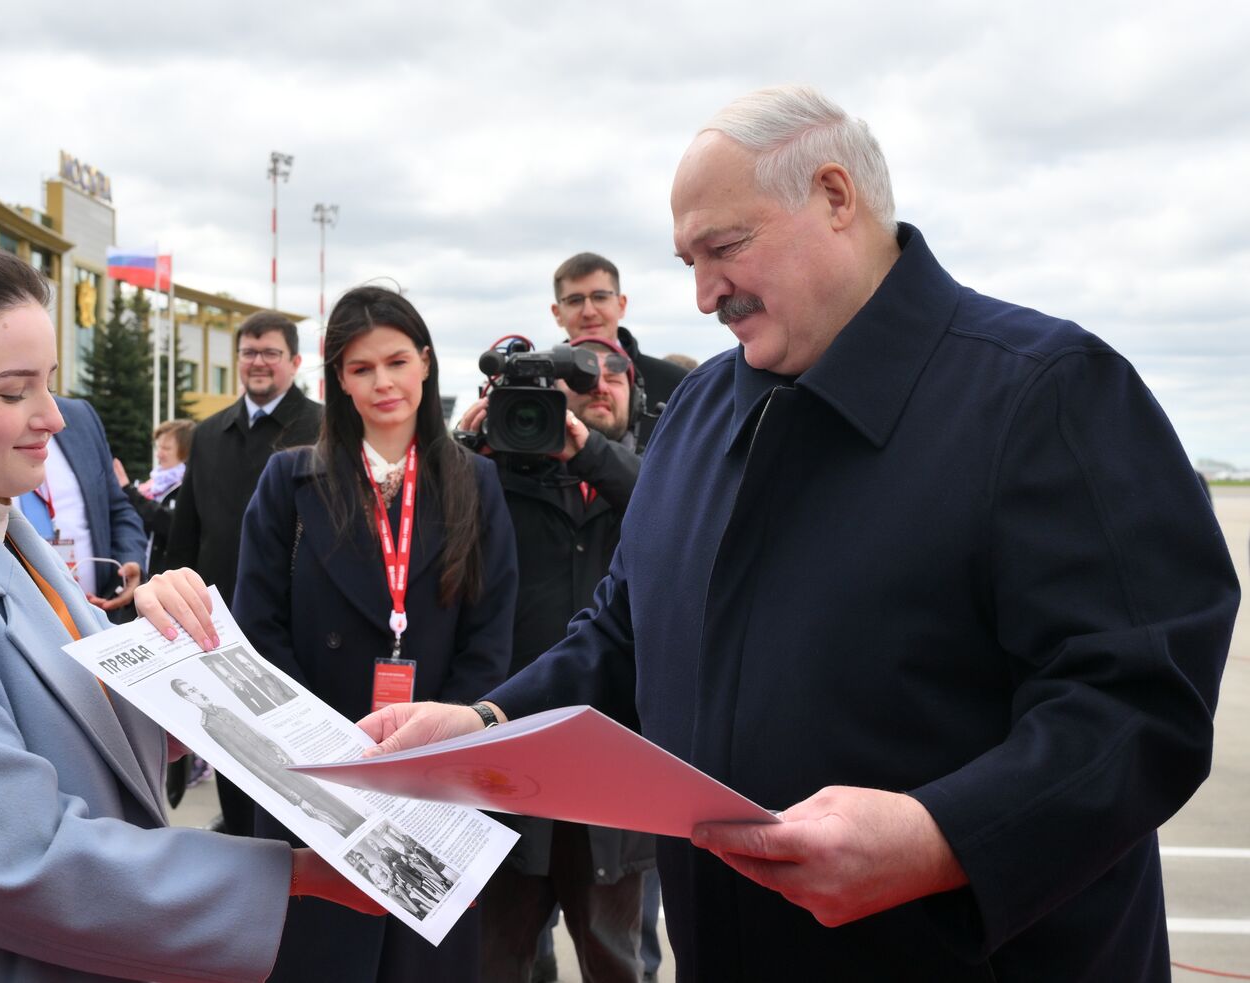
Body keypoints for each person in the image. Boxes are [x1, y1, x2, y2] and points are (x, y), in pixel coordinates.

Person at [359, 85, 1241, 982]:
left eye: (725, 248)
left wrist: (944, 837)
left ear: (834, 196)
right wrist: (482, 723)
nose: (703, 294)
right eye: (687, 260)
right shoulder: (701, 408)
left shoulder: (1048, 394)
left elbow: (1141, 706)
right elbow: (626, 631)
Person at [0, 246, 380, 983]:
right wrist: (293, 875)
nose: (52, 418)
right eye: (13, 393)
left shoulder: (6, 534)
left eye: (49, 384)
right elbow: (15, 859)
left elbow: (92, 730)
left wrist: (188, 659)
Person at [233, 284, 517, 983]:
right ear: (338, 381)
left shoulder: (475, 482)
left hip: (435, 771)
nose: (383, 382)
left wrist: (440, 733)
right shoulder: (290, 480)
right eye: (361, 369)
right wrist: (327, 743)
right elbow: (258, 627)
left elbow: (491, 633)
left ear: (426, 362)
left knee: (424, 963)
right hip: (318, 774)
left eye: (396, 360)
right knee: (323, 952)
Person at [458, 336, 654, 983]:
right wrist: (464, 449)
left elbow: (663, 509)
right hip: (509, 748)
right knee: (495, 955)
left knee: (614, 952)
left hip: (610, 756)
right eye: (583, 384)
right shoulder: (498, 472)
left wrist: (590, 451)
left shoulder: (645, 470)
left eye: (613, 381)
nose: (599, 392)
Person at [167, 310, 322, 836]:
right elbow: (185, 533)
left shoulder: (322, 429)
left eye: (270, 353)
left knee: (296, 768)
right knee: (236, 759)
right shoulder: (209, 434)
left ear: (295, 362)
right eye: (249, 352)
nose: (258, 363)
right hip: (219, 629)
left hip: (297, 632)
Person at [169, 679, 363, 837]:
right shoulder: (210, 725)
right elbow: (249, 764)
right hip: (280, 779)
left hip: (290, 766)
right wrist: (294, 798)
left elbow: (259, 735)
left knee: (332, 799)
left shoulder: (224, 710)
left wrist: (280, 752)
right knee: (327, 818)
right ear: (187, 698)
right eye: (192, 691)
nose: (199, 691)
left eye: (195, 687)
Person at [16, 394, 148, 621]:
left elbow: (117, 509)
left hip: (102, 617)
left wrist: (130, 559)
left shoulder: (80, 416)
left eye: (49, 382)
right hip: (25, 624)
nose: (56, 421)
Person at [550, 252, 687, 449]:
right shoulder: (537, 384)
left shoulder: (678, 385)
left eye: (600, 297)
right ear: (557, 313)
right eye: (575, 300)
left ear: (621, 305)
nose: (589, 312)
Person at [115, 418, 195, 577]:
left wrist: (129, 491)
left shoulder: (192, 486)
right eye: (158, 447)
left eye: (166, 448)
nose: (159, 454)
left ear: (186, 451)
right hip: (145, 576)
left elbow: (170, 522)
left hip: (173, 581)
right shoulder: (152, 485)